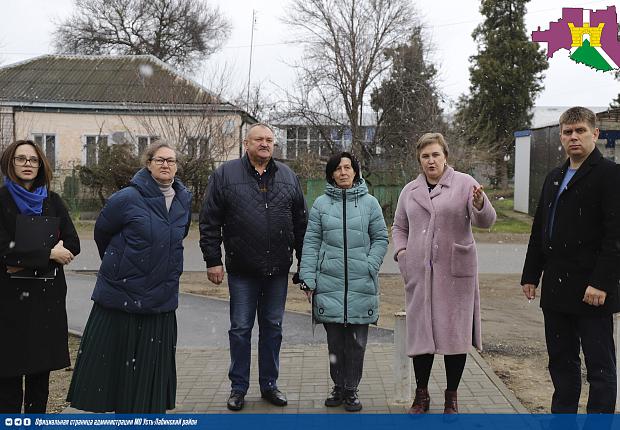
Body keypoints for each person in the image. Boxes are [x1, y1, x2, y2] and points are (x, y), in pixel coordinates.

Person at [67, 143, 192, 413]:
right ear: (148, 163)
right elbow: (103, 234)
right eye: (160, 160)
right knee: (120, 370)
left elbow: (177, 237)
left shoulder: (184, 199)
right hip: (122, 296)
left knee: (150, 373)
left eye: (171, 160)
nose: (166, 165)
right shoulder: (126, 198)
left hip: (161, 297)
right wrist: (123, 266)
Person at [199, 123, 307, 411]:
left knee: (273, 328)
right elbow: (209, 221)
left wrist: (303, 262)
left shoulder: (287, 176)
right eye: (258, 139)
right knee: (240, 329)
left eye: (269, 140)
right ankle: (238, 387)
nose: (265, 144)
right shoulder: (225, 175)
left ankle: (270, 385)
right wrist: (213, 260)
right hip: (242, 271)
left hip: (277, 272)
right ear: (246, 144)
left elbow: (300, 224)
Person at [521, 106, 620, 414]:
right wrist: (530, 275)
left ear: (595, 133)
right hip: (557, 289)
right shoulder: (554, 177)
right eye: (568, 132)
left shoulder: (610, 175)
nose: (573, 137)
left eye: (580, 131)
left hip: (592, 291)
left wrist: (601, 283)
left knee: (600, 368)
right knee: (562, 365)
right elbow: (541, 229)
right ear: (561, 137)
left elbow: (615, 235)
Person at [392, 132, 496, 414]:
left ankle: (452, 396)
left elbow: (486, 221)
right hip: (419, 274)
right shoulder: (409, 191)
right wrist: (403, 255)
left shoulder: (464, 184)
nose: (431, 161)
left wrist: (479, 204)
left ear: (445, 156)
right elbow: (399, 227)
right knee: (421, 335)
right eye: (425, 156)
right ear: (419, 160)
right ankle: (421, 394)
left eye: (436, 154)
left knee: (454, 336)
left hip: (455, 274)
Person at [298, 152, 388, 412]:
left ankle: (351, 389)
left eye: (348, 167)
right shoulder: (321, 205)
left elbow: (381, 238)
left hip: (362, 284)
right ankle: (338, 386)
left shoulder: (370, 203)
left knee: (357, 343)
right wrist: (308, 278)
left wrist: (370, 265)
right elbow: (311, 243)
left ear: (356, 172)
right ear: (331, 174)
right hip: (329, 284)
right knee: (335, 343)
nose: (344, 172)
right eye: (338, 168)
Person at [0, 140, 79, 413]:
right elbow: (3, 250)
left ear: (41, 165)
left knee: (39, 381)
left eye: (33, 160)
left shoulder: (52, 201)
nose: (27, 165)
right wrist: (48, 255)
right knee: (7, 382)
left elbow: (72, 243)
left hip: (46, 303)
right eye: (21, 159)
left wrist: (24, 258)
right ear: (10, 164)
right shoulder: (1, 202)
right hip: (8, 305)